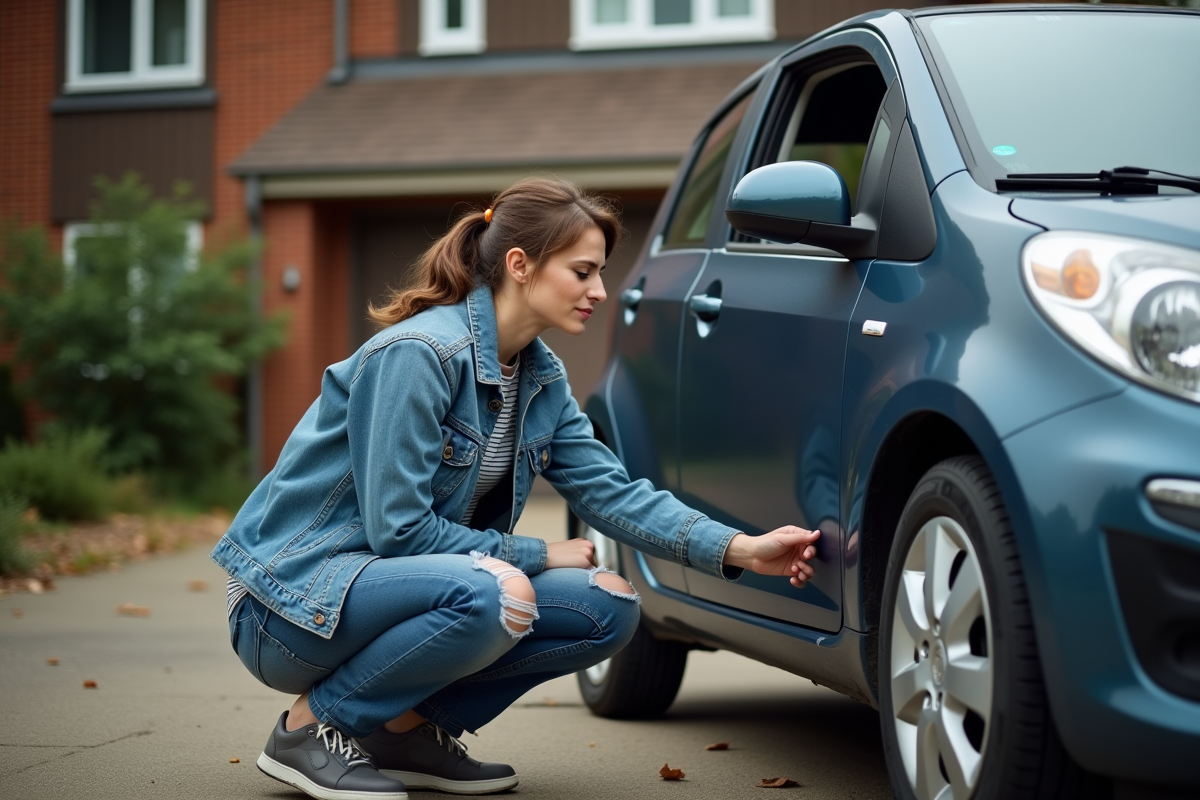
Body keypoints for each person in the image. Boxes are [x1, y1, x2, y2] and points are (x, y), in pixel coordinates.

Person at [212, 178, 821, 800]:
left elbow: (612, 493)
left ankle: (400, 730)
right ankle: (307, 730)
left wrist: (740, 549)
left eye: (601, 272)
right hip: (288, 606)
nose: (601, 291)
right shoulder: (418, 355)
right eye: (583, 271)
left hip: (383, 593)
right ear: (520, 265)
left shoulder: (541, 378)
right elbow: (399, 532)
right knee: (495, 591)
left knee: (607, 605)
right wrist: (538, 553)